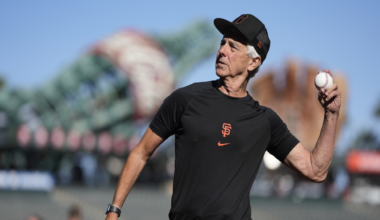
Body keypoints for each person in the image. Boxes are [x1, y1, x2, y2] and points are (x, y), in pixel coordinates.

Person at [105, 14, 341, 220]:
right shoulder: (185, 100)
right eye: (222, 43)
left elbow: (315, 170)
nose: (222, 51)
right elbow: (141, 152)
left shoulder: (265, 121)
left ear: (253, 61)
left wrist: (331, 115)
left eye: (233, 47)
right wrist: (113, 211)